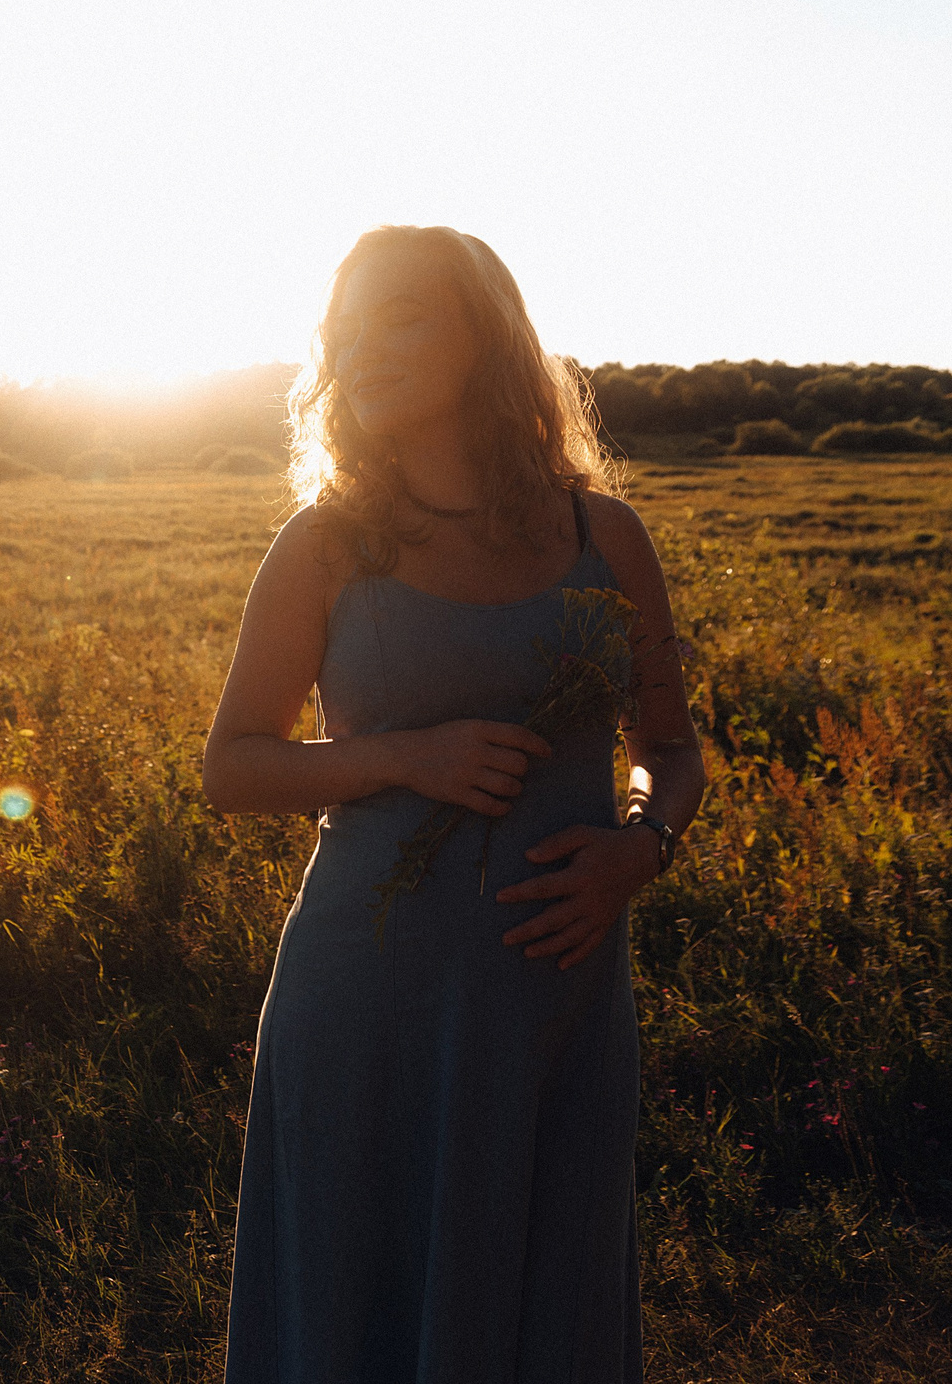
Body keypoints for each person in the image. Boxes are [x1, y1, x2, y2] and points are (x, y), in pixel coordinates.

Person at [203, 225, 705, 1384]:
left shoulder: (602, 537)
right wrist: (397, 756)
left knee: (545, 1291)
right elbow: (232, 766)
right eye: (344, 328)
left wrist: (644, 845)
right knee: (356, 1302)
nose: (361, 349)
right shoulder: (328, 545)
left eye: (400, 316)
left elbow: (670, 749)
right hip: (367, 998)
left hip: (554, 1001)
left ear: (484, 334)